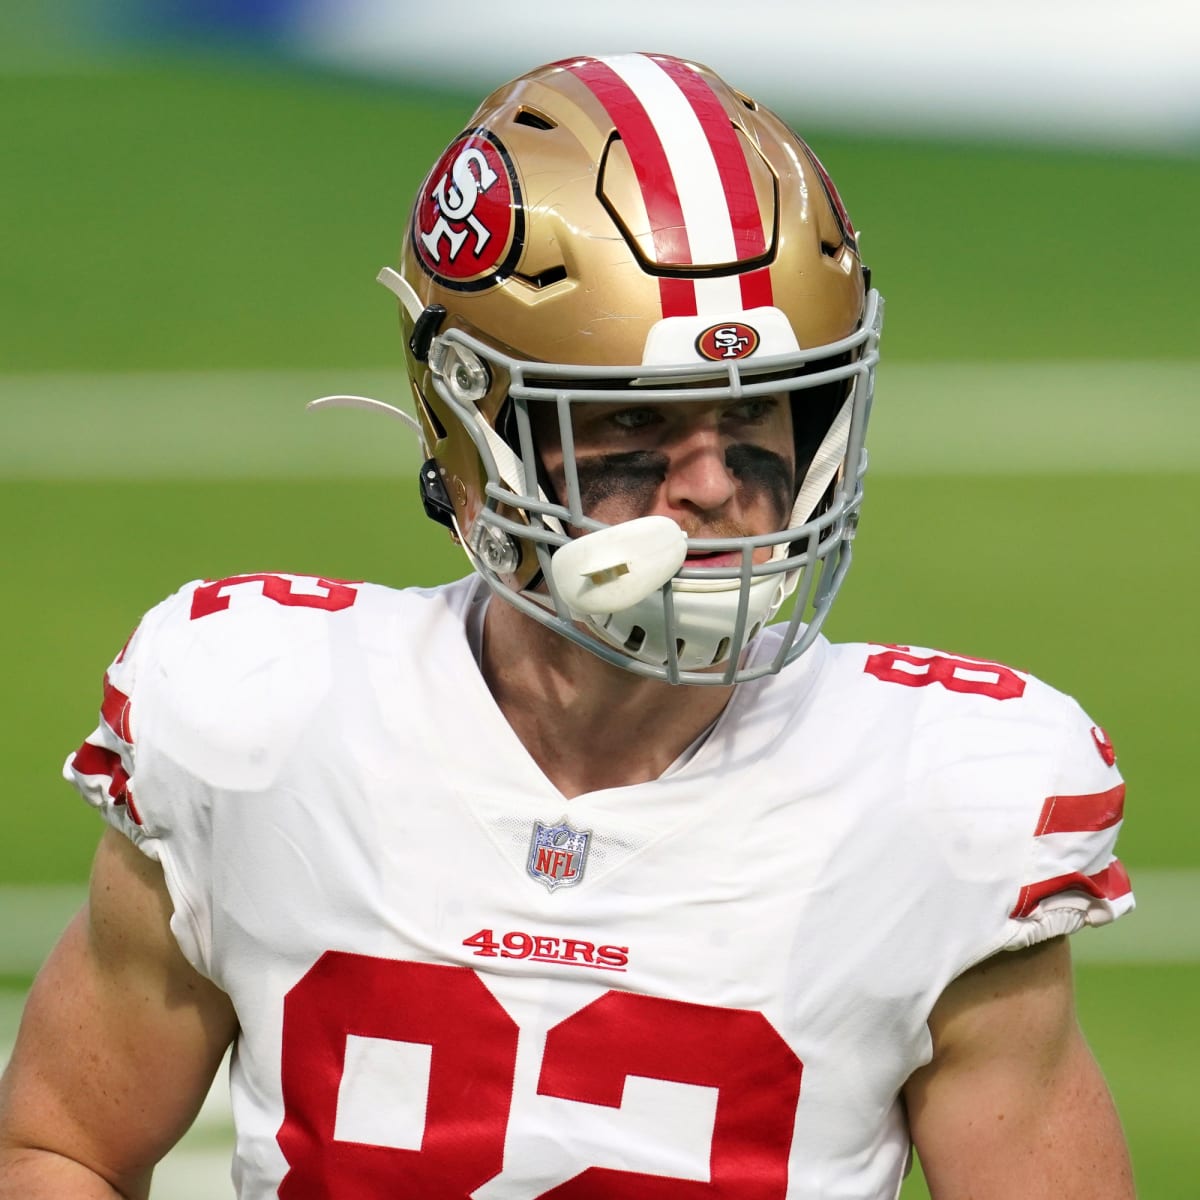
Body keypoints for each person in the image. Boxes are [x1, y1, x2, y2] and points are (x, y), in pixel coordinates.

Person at [0, 52, 1135, 1200]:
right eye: (638, 426)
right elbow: (61, 1148)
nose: (711, 486)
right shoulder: (264, 722)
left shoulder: (938, 799)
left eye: (760, 411)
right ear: (472, 429)